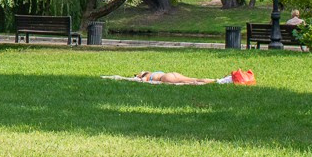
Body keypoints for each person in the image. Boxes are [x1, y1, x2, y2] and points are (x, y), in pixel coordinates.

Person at [105, 68, 254, 87]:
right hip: (171, 74)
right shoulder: (151, 74)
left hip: (166, 78)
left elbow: (139, 80)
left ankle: (220, 81)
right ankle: (221, 80)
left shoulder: (146, 77)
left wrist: (139, 78)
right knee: (193, 79)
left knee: (192, 81)